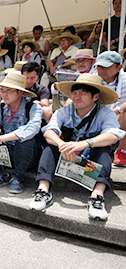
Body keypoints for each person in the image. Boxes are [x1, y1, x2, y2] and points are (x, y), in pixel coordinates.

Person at [29, 73, 124, 221]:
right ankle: (43, 190)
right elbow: (48, 131)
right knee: (51, 146)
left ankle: (97, 197)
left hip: (91, 158)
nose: (77, 97)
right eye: (74, 92)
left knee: (103, 150)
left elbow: (113, 135)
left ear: (95, 97)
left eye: (83, 93)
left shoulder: (106, 114)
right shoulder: (63, 111)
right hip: (66, 156)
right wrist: (63, 145)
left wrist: (85, 143)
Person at [0, 72, 43, 193]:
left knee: (26, 140)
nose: (4, 94)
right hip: (6, 153)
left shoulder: (34, 108)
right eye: (3, 90)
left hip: (27, 154)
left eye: (9, 91)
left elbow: (31, 129)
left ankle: (18, 178)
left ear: (20, 92)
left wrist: (0, 139)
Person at [94, 51, 126, 166]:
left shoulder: (125, 79)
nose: (102, 70)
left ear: (119, 68)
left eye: (106, 67)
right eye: (99, 66)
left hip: (118, 115)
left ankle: (122, 151)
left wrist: (116, 110)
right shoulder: (93, 79)